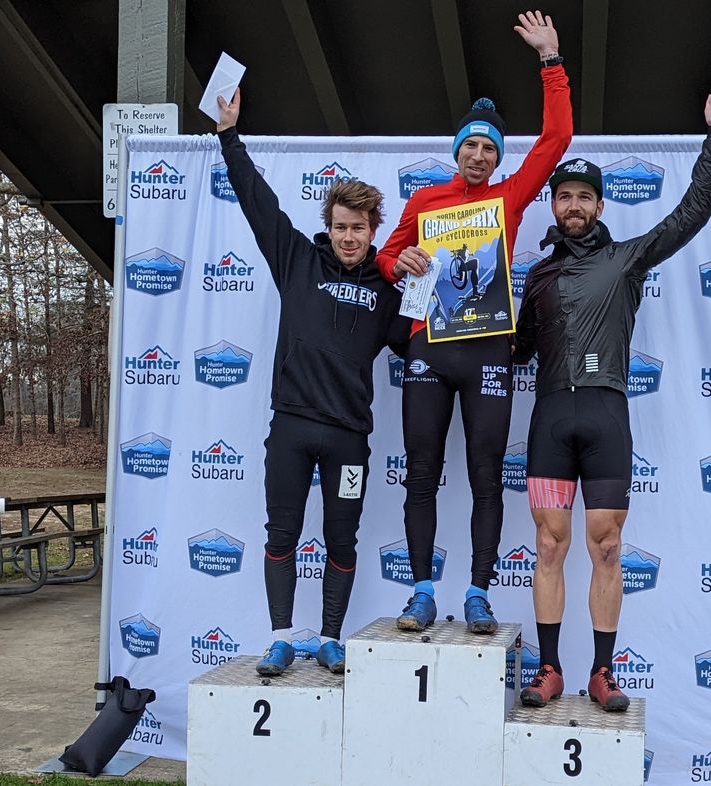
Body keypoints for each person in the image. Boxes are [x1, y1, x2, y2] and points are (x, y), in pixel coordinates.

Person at [513, 82, 711, 710]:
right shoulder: (536, 275)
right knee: (550, 544)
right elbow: (515, 351)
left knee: (607, 545)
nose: (574, 206)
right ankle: (551, 668)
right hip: (551, 417)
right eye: (565, 197)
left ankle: (603, 672)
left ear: (599, 204)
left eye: (585, 196)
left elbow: (691, 214)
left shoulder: (628, 257)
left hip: (608, 412)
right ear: (553, 206)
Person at [376, 10, 572, 634]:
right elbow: (386, 256)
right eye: (472, 145)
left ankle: (480, 592)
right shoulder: (424, 199)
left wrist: (551, 62)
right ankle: (422, 592)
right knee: (422, 474)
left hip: (488, 350)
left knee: (487, 478)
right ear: (456, 150)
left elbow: (556, 142)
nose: (480, 155)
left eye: (490, 147)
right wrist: (396, 260)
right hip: (429, 350)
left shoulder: (508, 197)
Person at [214, 88, 408, 676]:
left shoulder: (389, 289)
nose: (351, 237)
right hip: (293, 428)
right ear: (329, 226)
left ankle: (329, 637)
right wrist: (229, 134)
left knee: (341, 540)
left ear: (376, 230)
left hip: (349, 438)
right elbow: (258, 203)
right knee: (283, 532)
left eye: (361, 229)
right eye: (342, 227)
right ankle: (280, 636)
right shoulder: (297, 260)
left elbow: (425, 339)